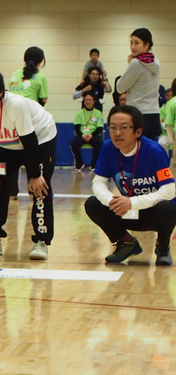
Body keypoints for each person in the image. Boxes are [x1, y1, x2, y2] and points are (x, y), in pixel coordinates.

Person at [0, 64, 57, 260]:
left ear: (0, 92)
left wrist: (34, 175)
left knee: (39, 187)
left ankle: (41, 241)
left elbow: (29, 142)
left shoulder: (16, 105)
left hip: (39, 140)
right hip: (5, 145)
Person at [84, 104, 176, 266]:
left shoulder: (154, 150)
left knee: (167, 208)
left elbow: (169, 190)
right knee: (92, 204)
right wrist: (111, 201)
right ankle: (126, 243)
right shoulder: (107, 148)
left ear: (138, 131)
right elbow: (99, 182)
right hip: (127, 211)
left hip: (152, 212)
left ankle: (162, 246)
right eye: (113, 128)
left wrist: (132, 202)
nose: (117, 133)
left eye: (124, 128)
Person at [116, 28, 161, 140]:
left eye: (137, 43)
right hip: (153, 112)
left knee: (136, 152)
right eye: (131, 43)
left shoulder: (136, 63)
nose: (133, 47)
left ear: (147, 44)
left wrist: (129, 64)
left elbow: (120, 88)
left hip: (138, 113)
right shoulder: (156, 61)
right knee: (148, 152)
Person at [70, 93, 104, 171]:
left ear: (94, 101)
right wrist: (82, 135)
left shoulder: (98, 113)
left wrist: (92, 134)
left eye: (90, 100)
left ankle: (94, 164)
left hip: (93, 134)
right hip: (82, 134)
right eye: (86, 100)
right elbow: (76, 126)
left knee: (99, 143)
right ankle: (79, 163)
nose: (88, 102)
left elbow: (100, 127)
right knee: (74, 143)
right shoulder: (79, 113)